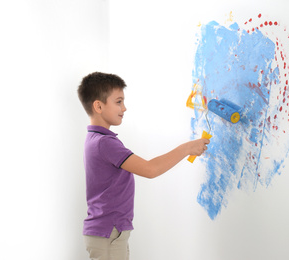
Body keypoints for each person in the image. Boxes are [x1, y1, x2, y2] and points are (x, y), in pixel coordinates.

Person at [77, 72, 210, 260]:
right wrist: (187, 148)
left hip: (108, 233)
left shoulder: (95, 139)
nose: (124, 107)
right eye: (118, 102)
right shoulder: (105, 143)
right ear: (98, 106)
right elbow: (150, 169)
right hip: (109, 234)